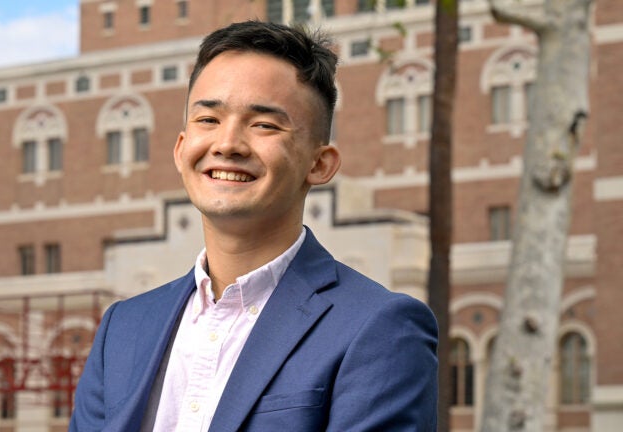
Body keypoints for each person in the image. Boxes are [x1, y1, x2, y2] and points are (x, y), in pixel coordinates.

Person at [70, 20, 438, 432]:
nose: (227, 144)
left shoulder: (380, 329)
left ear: (320, 163)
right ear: (180, 148)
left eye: (263, 124)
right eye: (208, 119)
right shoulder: (123, 327)